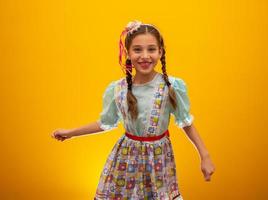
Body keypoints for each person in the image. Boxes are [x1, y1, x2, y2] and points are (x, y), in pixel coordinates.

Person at [51, 20, 215, 200]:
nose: (145, 56)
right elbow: (105, 123)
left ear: (160, 52)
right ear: (128, 53)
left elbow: (186, 123)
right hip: (125, 160)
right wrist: (71, 133)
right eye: (137, 50)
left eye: (151, 49)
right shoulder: (118, 89)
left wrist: (204, 156)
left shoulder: (171, 87)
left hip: (158, 162)